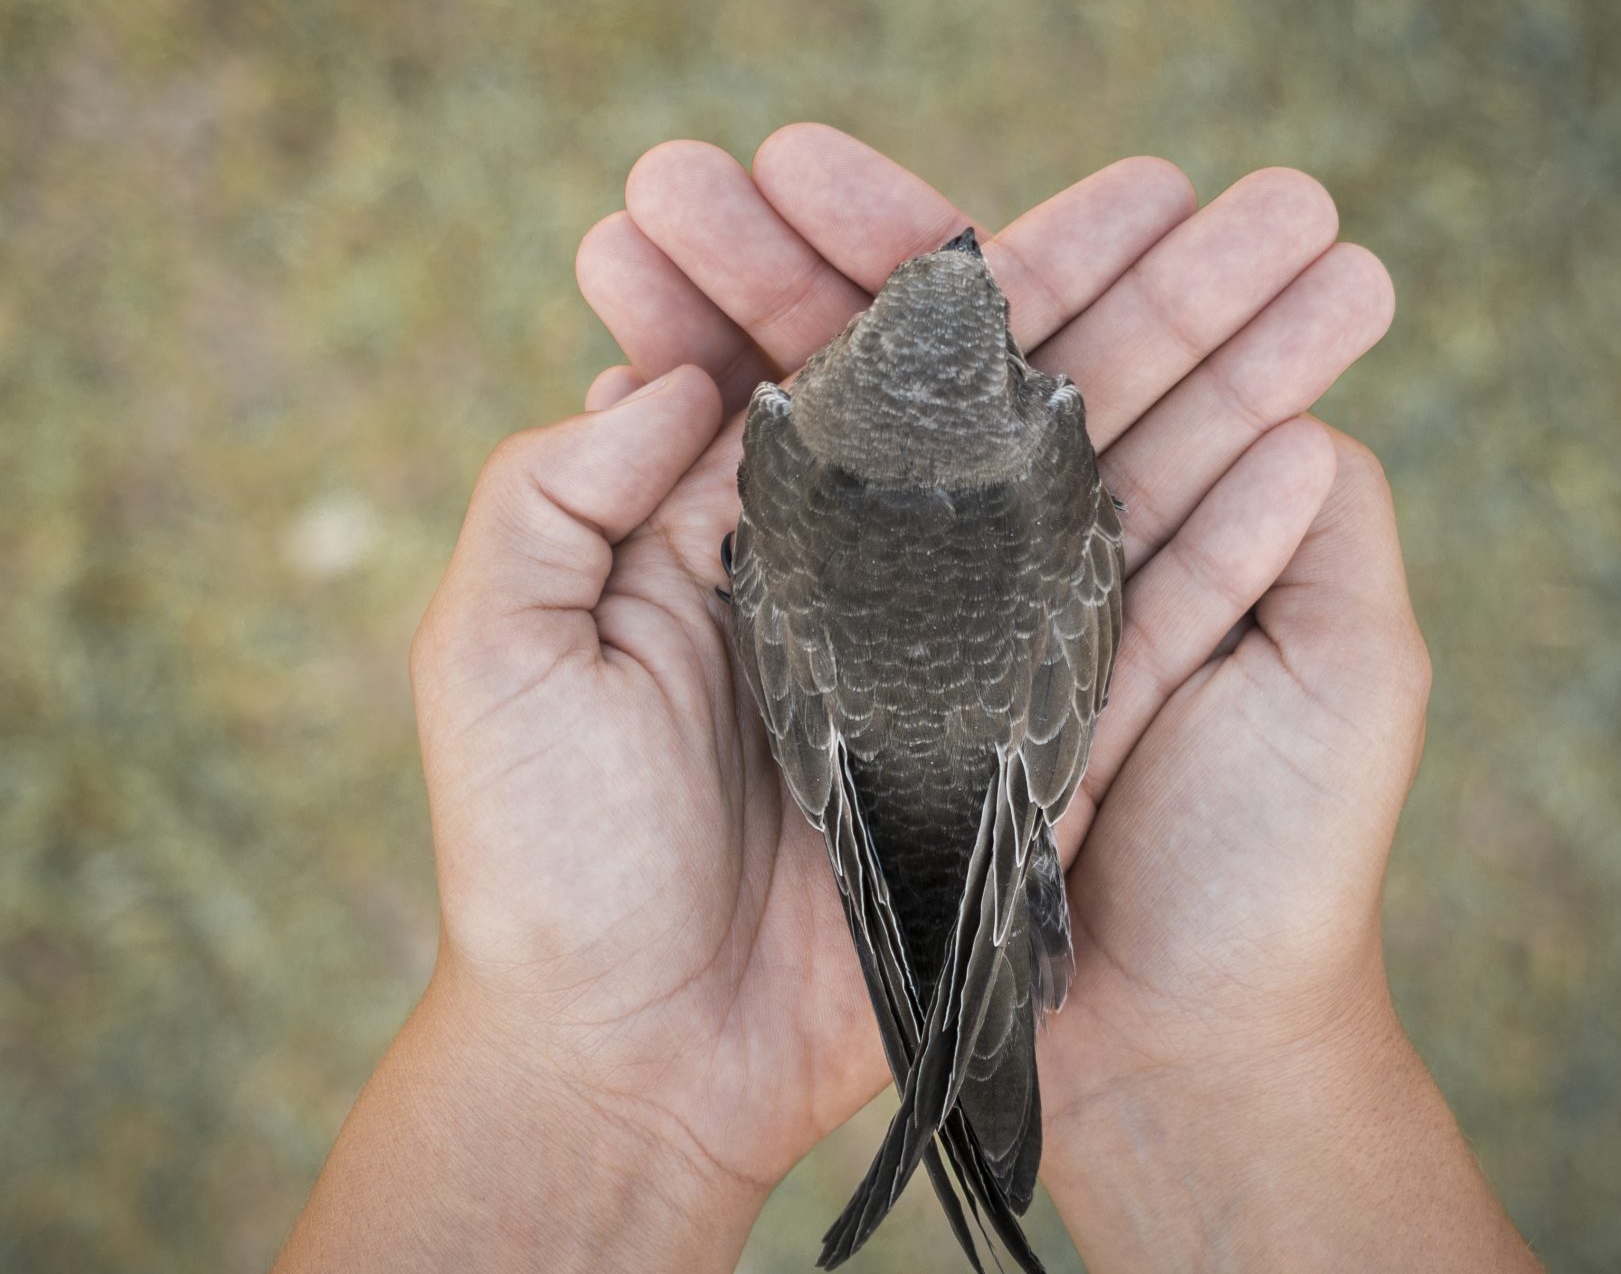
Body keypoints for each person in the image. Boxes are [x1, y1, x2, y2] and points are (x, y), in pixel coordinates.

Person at [274, 124, 1541, 1273]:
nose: (979, 285)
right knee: (948, 908)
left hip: (959, 784)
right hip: (961, 783)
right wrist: (1214, 1071)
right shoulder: (978, 441)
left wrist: (589, 1084)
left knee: (949, 918)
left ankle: (969, 1011)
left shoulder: (792, 438)